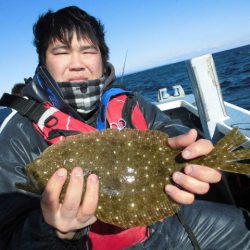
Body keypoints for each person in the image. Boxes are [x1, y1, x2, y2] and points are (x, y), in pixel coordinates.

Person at [0, 6, 249, 250]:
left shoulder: (130, 104)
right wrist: (52, 230)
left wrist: (190, 150)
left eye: (88, 51)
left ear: (102, 58)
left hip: (160, 226)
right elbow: (8, 236)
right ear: (43, 62)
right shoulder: (16, 133)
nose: (77, 63)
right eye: (61, 52)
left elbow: (167, 129)